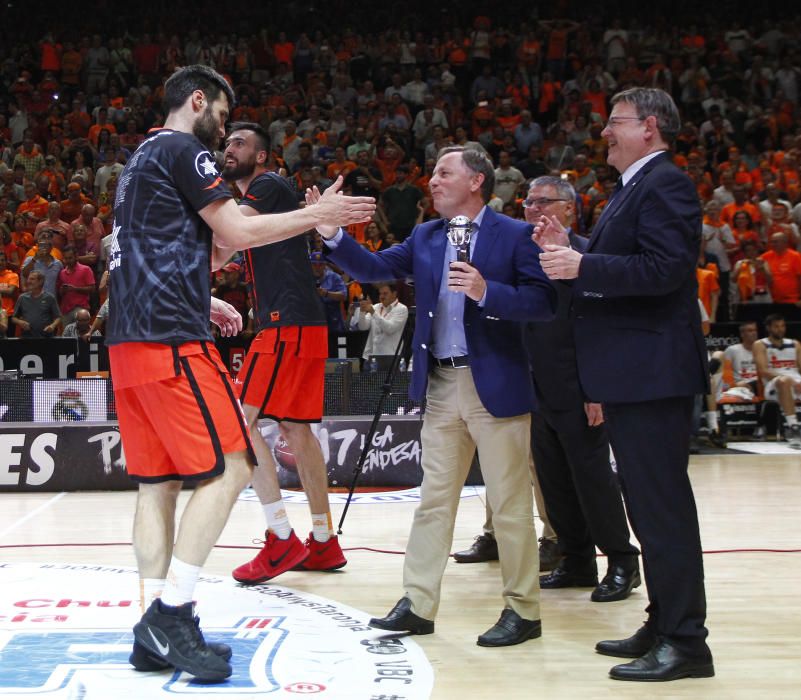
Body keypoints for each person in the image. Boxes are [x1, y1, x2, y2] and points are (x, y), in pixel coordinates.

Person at [106, 65, 373, 682]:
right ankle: (172, 615)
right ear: (197, 101)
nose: (222, 130)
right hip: (172, 343)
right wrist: (317, 216)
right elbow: (239, 229)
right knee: (231, 466)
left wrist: (204, 291)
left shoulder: (138, 162)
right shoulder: (183, 149)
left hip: (130, 344)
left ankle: (152, 628)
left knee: (158, 486)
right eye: (221, 116)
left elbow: (203, 247)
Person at [313, 145, 556, 647]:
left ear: (476, 181)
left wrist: (488, 291)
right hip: (442, 386)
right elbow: (374, 268)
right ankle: (418, 603)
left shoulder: (514, 235)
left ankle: (523, 610)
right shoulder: (425, 235)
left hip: (495, 385)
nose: (433, 180)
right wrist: (330, 232)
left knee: (509, 504)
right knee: (433, 502)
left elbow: (543, 303)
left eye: (445, 173)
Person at [538, 88, 714, 681]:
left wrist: (583, 265)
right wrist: (573, 250)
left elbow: (666, 270)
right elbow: (634, 261)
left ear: (651, 127)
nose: (605, 132)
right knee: (647, 507)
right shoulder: (634, 186)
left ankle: (687, 643)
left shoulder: (665, 182)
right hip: (634, 374)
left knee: (662, 511)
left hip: (652, 375)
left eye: (615, 122)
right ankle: (665, 621)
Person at [219, 121, 347, 585]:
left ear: (263, 157)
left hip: (285, 325)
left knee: (239, 422)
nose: (229, 148)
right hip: (301, 323)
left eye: (240, 144)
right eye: (227, 142)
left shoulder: (267, 185)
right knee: (297, 430)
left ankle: (279, 539)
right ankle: (324, 540)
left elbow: (229, 235)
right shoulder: (260, 199)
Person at [518, 176, 640, 602]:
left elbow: (604, 327)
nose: (532, 209)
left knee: (593, 479)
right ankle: (576, 560)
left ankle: (623, 561)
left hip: (580, 385)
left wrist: (598, 389)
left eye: (543, 202)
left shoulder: (590, 254)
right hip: (536, 384)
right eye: (528, 202)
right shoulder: (523, 255)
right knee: (554, 481)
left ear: (569, 208)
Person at [753, 314, 801, 448]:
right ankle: (794, 428)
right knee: (784, 381)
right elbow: (763, 370)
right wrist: (791, 381)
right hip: (773, 384)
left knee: (788, 380)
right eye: (776, 327)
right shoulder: (760, 344)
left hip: (797, 382)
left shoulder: (795, 344)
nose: (780, 329)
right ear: (769, 328)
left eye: (782, 326)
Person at [350, 281, 409, 359]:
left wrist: (373, 313)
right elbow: (363, 327)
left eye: (385, 293)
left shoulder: (402, 309)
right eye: (380, 293)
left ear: (394, 294)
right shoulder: (376, 307)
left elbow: (389, 329)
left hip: (391, 357)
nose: (381, 296)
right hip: (371, 356)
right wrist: (362, 312)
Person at [11, 269, 60, 337]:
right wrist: (20, 322)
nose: (28, 281)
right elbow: (13, 318)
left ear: (40, 281)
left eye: (32, 279)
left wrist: (52, 326)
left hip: (46, 338)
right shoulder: (22, 298)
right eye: (28, 279)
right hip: (27, 337)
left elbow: (58, 317)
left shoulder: (50, 298)